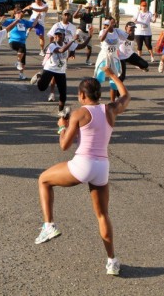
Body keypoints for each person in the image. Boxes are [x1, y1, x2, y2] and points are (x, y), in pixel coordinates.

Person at [35, 68, 130, 276]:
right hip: (102, 167)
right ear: (99, 94)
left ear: (82, 96)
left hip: (83, 165)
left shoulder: (79, 113)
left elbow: (64, 146)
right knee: (103, 214)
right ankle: (112, 261)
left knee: (44, 180)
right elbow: (125, 96)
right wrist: (113, 76)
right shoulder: (110, 110)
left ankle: (49, 225)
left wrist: (62, 127)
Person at [30, 29, 78, 115]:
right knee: (42, 88)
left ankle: (60, 111)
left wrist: (89, 36)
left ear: (63, 36)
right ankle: (38, 76)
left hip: (61, 71)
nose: (57, 36)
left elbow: (80, 46)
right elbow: (61, 50)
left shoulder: (66, 44)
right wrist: (72, 40)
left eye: (60, 35)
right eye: (56, 35)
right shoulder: (52, 45)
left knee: (63, 93)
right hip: (50, 69)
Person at [93, 18, 128, 97]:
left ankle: (113, 102)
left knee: (114, 80)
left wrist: (130, 31)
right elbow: (101, 39)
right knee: (99, 78)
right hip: (104, 57)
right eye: (105, 25)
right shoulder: (103, 31)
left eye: (108, 24)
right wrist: (107, 29)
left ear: (114, 24)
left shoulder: (117, 31)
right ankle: (96, 98)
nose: (106, 26)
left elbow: (128, 37)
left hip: (114, 57)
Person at [115, 21, 148, 101]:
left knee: (145, 64)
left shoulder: (133, 35)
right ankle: (117, 95)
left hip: (130, 55)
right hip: (121, 57)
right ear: (126, 28)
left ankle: (141, 67)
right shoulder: (121, 35)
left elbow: (133, 40)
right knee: (121, 77)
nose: (132, 30)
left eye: (133, 28)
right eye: (131, 28)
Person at [6, 8, 38, 80]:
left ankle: (21, 74)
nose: (20, 14)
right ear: (15, 14)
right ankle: (18, 62)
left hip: (22, 42)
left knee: (23, 61)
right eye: (18, 13)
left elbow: (33, 24)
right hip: (13, 41)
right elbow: (2, 22)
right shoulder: (11, 21)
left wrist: (37, 17)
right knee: (21, 47)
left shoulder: (24, 22)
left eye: (21, 13)